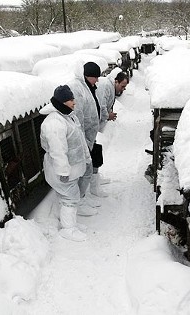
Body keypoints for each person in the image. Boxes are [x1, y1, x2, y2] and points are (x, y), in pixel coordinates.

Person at [39, 85, 91, 242]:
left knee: (71, 196)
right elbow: (57, 150)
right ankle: (68, 229)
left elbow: (79, 140)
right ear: (61, 102)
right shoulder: (54, 123)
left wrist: (86, 158)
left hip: (73, 166)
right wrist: (62, 171)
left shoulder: (67, 116)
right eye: (70, 100)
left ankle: (71, 223)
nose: (74, 102)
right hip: (60, 169)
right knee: (70, 197)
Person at [68, 61, 103, 212]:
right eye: (95, 77)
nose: (97, 80)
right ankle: (79, 202)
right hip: (81, 138)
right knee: (82, 170)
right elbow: (78, 117)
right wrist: (82, 139)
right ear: (88, 76)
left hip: (88, 136)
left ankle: (83, 197)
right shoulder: (77, 88)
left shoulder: (87, 87)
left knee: (87, 169)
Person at [91, 70, 130, 196]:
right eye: (122, 86)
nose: (123, 89)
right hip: (90, 123)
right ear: (116, 81)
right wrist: (108, 115)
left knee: (95, 149)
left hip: (93, 124)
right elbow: (101, 106)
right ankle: (93, 186)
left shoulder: (110, 87)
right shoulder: (106, 86)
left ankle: (96, 177)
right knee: (93, 152)